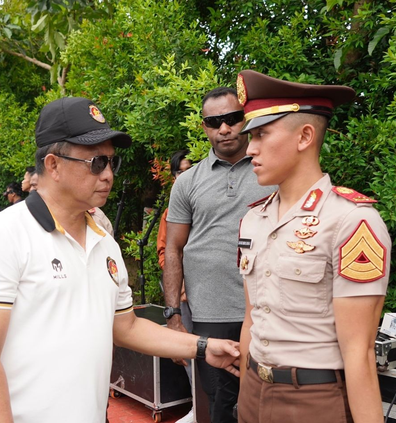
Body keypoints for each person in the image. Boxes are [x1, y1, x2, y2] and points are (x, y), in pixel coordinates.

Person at [0, 96, 240, 423]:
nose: (108, 174)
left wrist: (202, 347)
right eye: (96, 163)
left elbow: (127, 327)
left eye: (111, 162)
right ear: (53, 165)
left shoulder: (105, 244)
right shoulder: (2, 233)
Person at [235, 70, 391, 423]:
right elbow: (252, 320)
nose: (250, 149)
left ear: (305, 136)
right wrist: (247, 391)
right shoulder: (252, 220)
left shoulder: (352, 222)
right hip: (252, 393)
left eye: (261, 134)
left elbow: (360, 352)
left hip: (313, 402)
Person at [163, 87, 275, 423]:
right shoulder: (187, 183)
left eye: (231, 119)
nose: (224, 128)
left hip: (269, 310)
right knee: (220, 405)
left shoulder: (272, 172)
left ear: (246, 120)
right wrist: (173, 316)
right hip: (210, 314)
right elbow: (173, 248)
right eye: (214, 122)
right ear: (204, 127)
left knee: (269, 400)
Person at [157, 149, 194, 423]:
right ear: (173, 175)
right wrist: (179, 285)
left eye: (190, 168)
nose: (186, 174)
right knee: (189, 348)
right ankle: (197, 407)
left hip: (215, 293)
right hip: (184, 294)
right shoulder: (171, 211)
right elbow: (165, 252)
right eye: (181, 170)